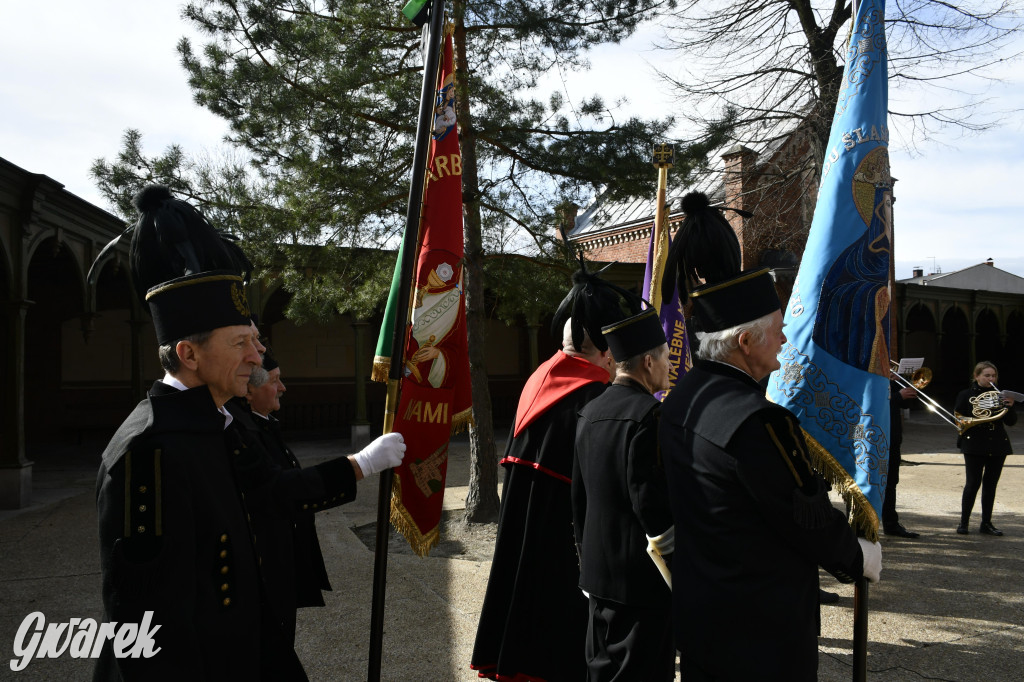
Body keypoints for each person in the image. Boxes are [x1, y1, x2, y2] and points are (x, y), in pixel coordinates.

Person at [95, 187, 405, 680]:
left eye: (254, 342)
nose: (258, 357)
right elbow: (147, 625)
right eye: (240, 342)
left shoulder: (223, 422)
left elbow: (270, 497)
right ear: (188, 354)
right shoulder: (147, 451)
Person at [659, 266, 882, 681]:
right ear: (745, 342)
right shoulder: (760, 423)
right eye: (778, 328)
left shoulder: (681, 399)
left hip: (703, 612)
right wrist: (858, 556)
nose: (785, 338)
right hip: (759, 631)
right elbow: (805, 518)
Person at [471, 264, 634, 682]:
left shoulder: (541, 376)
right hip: (565, 542)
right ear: (607, 348)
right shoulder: (594, 396)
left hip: (527, 525)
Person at [572, 308, 675, 681]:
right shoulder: (651, 416)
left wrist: (587, 567)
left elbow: (579, 499)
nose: (668, 366)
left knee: (601, 671)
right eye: (665, 357)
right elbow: (654, 509)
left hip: (598, 577)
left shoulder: (589, 411)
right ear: (647, 361)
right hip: (641, 585)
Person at [954, 361, 1016, 536]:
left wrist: (1010, 407)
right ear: (977, 376)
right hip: (974, 443)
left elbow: (1011, 422)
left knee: (991, 485)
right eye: (987, 375)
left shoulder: (1001, 396)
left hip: (997, 443)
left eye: (993, 376)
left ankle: (986, 523)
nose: (991, 379)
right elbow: (958, 419)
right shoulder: (965, 395)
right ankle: (963, 523)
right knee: (972, 484)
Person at [883, 378, 920, 538]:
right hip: (873, 437)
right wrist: (898, 396)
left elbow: (907, 405)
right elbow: (869, 401)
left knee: (891, 483)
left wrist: (913, 389)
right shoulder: (865, 376)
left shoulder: (892, 382)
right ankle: (859, 527)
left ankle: (891, 524)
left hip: (893, 438)